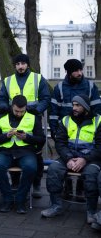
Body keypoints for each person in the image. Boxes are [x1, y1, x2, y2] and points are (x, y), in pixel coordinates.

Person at [41, 95, 101, 224]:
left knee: (92, 174)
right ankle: (55, 206)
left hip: (90, 159)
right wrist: (68, 158)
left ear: (85, 107)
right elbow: (60, 143)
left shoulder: (98, 121)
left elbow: (100, 147)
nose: (74, 108)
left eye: (77, 105)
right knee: (53, 169)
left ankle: (91, 211)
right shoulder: (65, 120)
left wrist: (84, 159)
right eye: (73, 105)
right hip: (69, 156)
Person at [0, 53, 51, 198]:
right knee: (14, 148)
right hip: (13, 118)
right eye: (18, 64)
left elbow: (46, 98)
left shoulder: (37, 78)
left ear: (27, 64)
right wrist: (3, 106)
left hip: (33, 120)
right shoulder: (8, 80)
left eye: (23, 63)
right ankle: (15, 182)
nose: (20, 66)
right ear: (14, 66)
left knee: (37, 154)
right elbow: (2, 98)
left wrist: (37, 110)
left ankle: (36, 184)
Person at [49, 59, 101, 200]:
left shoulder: (90, 86)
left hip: (86, 129)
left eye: (80, 70)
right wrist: (54, 131)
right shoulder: (59, 87)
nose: (80, 73)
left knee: (85, 163)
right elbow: (53, 112)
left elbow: (97, 108)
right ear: (68, 72)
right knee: (65, 159)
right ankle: (65, 188)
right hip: (65, 131)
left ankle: (80, 189)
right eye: (76, 71)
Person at [0, 95, 45, 214]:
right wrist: (6, 136)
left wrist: (27, 138)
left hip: (26, 151)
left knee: (31, 167)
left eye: (22, 111)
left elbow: (41, 139)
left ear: (26, 108)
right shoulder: (1, 117)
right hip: (5, 151)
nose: (19, 113)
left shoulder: (33, 117)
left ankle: (21, 199)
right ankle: (7, 198)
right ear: (12, 106)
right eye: (16, 111)